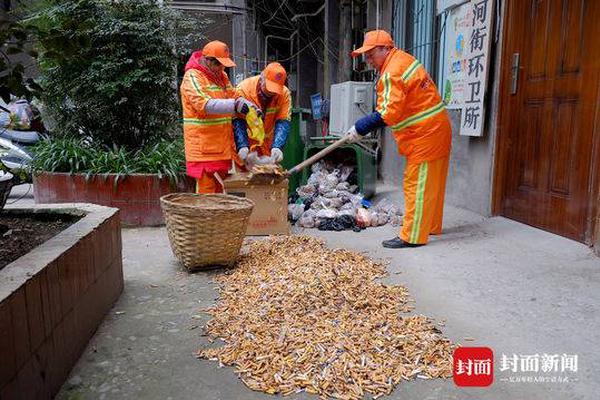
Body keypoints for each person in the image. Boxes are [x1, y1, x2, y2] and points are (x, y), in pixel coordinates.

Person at [347, 30, 451, 249]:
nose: (368, 61)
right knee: (432, 184)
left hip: (424, 135)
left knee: (417, 184)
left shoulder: (392, 72)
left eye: (371, 54)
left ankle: (412, 235)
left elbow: (388, 113)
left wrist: (360, 127)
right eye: (366, 56)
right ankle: (430, 225)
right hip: (436, 129)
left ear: (385, 49)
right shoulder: (402, 60)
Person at [180, 40, 261, 194]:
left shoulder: (221, 75)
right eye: (219, 64)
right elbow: (203, 104)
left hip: (220, 147)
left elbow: (235, 96)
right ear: (207, 60)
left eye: (224, 65)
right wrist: (235, 106)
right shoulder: (192, 77)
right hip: (203, 149)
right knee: (207, 195)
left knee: (219, 193)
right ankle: (206, 219)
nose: (222, 68)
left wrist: (251, 108)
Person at [233, 62, 291, 167]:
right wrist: (242, 145)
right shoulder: (244, 89)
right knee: (242, 180)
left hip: (267, 149)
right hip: (247, 149)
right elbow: (237, 119)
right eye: (269, 87)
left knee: (267, 177)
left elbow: (283, 121)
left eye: (275, 89)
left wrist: (277, 146)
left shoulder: (284, 94)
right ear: (262, 78)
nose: (272, 92)